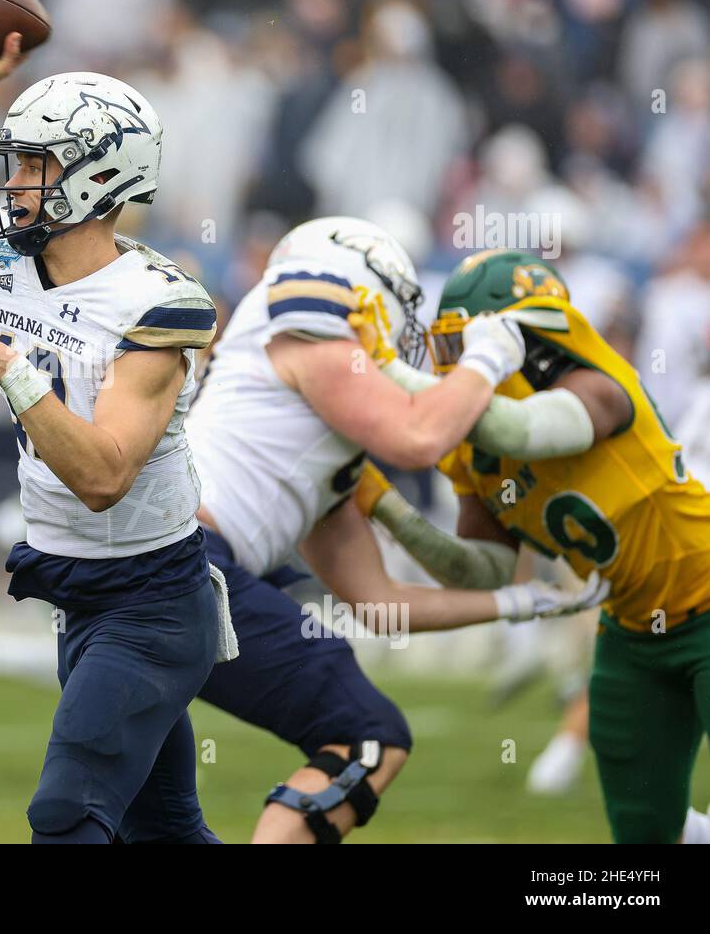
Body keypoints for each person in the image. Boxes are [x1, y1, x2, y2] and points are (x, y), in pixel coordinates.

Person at [0, 34, 228, 844]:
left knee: (67, 815)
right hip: (79, 592)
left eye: (34, 167)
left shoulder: (157, 305)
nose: (13, 185)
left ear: (99, 176)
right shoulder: (5, 262)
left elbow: (104, 475)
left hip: (153, 602)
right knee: (163, 832)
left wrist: (12, 371)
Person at [184, 217, 604, 843]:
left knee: (149, 811)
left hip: (166, 569)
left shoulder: (307, 425)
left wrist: (519, 600)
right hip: (187, 567)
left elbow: (380, 605)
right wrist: (488, 357)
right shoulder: (309, 330)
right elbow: (417, 437)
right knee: (365, 734)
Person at [357, 248, 710, 844]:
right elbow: (481, 572)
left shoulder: (599, 387)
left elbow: (515, 428)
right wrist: (383, 506)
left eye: (461, 345)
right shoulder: (474, 448)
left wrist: (376, 367)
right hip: (632, 634)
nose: (451, 364)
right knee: (647, 836)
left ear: (512, 340)